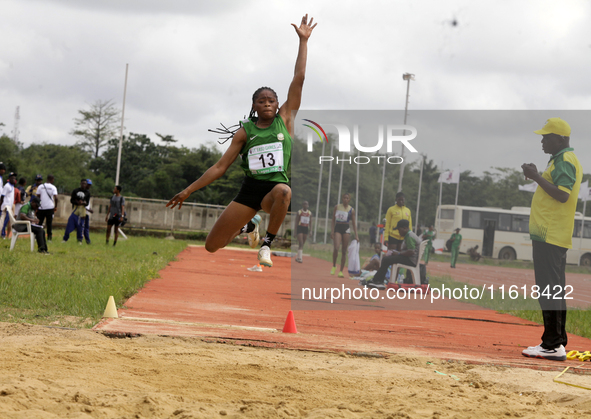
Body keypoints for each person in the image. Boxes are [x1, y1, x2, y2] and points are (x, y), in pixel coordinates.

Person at [167, 15, 317, 268]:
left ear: (278, 104)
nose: (268, 103)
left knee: (285, 191)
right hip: (250, 190)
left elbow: (299, 78)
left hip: (274, 190)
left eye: (272, 100)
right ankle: (250, 224)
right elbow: (219, 167)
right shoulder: (245, 132)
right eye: (262, 101)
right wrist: (188, 190)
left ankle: (267, 243)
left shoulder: (286, 119)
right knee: (212, 245)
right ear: (254, 106)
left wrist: (303, 41)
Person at [521, 117, 582, 362]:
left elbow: (562, 195)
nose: (542, 141)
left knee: (550, 290)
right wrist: (538, 174)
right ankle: (555, 342)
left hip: (551, 235)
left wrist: (536, 177)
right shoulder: (559, 160)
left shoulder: (565, 160)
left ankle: (552, 344)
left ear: (561, 139)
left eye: (547, 137)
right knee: (552, 289)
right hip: (550, 234)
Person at [362, 219, 421, 288]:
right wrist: (397, 252)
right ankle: (378, 280)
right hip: (411, 259)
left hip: (410, 260)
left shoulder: (409, 237)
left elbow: (411, 252)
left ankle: (378, 280)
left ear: (405, 228)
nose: (398, 232)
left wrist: (399, 253)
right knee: (387, 259)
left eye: (399, 230)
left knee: (386, 260)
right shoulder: (410, 235)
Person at [330, 192, 359, 277]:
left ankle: (341, 271)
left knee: (344, 250)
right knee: (336, 248)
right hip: (338, 227)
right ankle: (334, 266)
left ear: (349, 200)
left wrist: (356, 235)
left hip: (346, 228)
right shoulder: (337, 207)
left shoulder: (351, 210)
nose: (345, 199)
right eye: (344, 198)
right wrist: (332, 231)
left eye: (347, 198)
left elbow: (354, 223)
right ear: (342, 199)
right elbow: (332, 220)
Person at [63, 179, 90, 244]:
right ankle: (65, 239)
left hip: (82, 210)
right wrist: (77, 202)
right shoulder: (75, 191)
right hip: (75, 209)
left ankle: (79, 240)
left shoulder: (87, 193)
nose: (84, 185)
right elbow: (71, 200)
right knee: (70, 223)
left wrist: (83, 203)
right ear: (80, 183)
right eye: (83, 183)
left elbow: (87, 203)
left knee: (80, 226)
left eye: (85, 184)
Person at [36, 174, 59, 242]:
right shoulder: (53, 187)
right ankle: (49, 238)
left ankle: (37, 237)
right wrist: (56, 206)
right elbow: (56, 198)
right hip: (50, 208)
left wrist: (38, 206)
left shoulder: (40, 186)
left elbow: (37, 197)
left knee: (39, 223)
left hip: (41, 208)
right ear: (52, 179)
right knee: (49, 224)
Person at [0, 172, 17, 238]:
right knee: (4, 222)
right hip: (5, 206)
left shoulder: (12, 186)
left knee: (6, 221)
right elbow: (2, 197)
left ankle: (4, 234)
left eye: (14, 178)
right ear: (9, 178)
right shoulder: (7, 186)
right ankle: (3, 234)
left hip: (9, 206)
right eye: (12, 178)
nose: (13, 179)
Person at [83, 179, 94, 244]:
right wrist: (88, 209)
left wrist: (89, 208)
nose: (89, 186)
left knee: (86, 227)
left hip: (86, 213)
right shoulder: (83, 192)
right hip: (83, 212)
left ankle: (87, 241)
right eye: (88, 184)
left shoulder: (88, 192)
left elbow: (87, 203)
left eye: (90, 185)